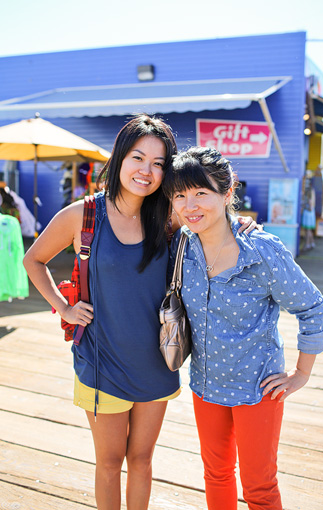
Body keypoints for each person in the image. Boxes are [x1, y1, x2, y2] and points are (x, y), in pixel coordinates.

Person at [22, 115, 257, 510]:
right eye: (138, 158)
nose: (147, 171)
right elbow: (34, 260)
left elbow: (213, 219)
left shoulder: (169, 217)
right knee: (110, 463)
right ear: (119, 159)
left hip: (156, 363)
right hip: (101, 362)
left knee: (143, 461)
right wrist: (64, 306)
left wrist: (240, 224)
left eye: (159, 163)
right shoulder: (84, 215)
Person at [164, 146, 323, 510]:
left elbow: (313, 307)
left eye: (201, 194)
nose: (190, 206)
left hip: (258, 388)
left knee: (259, 487)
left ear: (227, 193)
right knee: (216, 474)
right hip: (206, 384)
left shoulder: (262, 251)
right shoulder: (180, 246)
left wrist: (301, 374)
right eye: (180, 195)